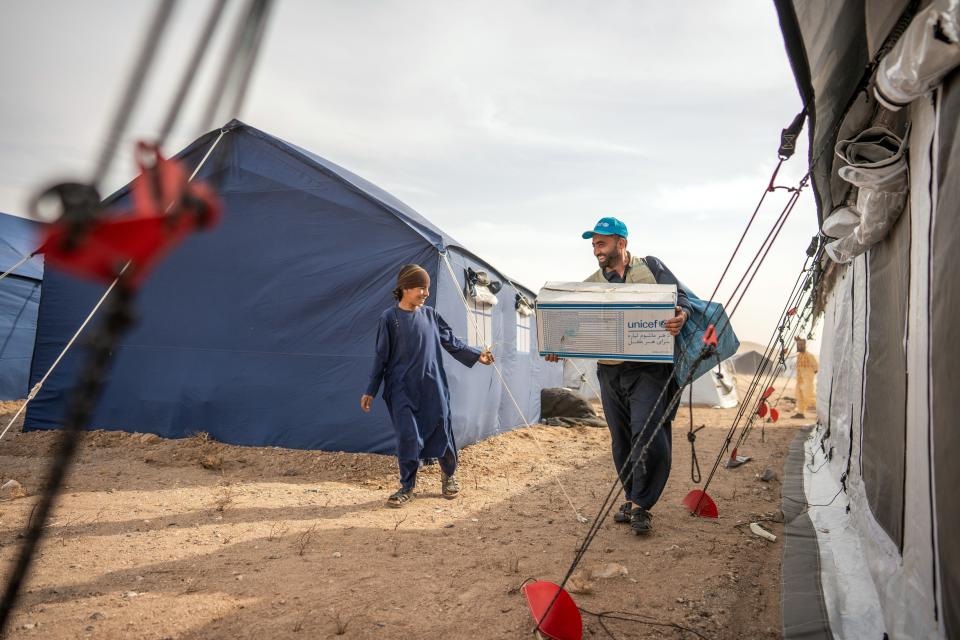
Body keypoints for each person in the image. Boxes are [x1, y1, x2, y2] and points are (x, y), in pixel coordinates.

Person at [546, 217, 690, 535]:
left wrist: (681, 315)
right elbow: (572, 325)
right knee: (621, 439)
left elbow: (680, 299)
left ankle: (641, 505)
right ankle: (632, 495)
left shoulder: (651, 268)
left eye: (602, 243)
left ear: (621, 243)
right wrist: (558, 345)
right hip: (610, 371)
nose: (596, 249)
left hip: (650, 369)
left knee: (647, 432)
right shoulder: (591, 283)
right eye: (594, 244)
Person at [361, 264, 494, 508]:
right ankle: (407, 486)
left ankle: (449, 475)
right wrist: (371, 389)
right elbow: (381, 356)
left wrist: (477, 355)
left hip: (433, 386)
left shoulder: (431, 315)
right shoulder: (390, 319)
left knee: (441, 430)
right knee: (408, 436)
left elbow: (451, 342)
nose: (425, 293)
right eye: (421, 288)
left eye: (427, 288)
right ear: (405, 288)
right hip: (401, 389)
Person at [792, 337, 818, 419]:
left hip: (807, 380)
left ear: (804, 345)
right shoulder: (799, 356)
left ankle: (822, 410)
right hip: (800, 380)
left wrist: (809, 375)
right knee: (799, 396)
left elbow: (816, 367)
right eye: (798, 345)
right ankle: (800, 413)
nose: (799, 346)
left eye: (800, 345)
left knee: (809, 396)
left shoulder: (810, 356)